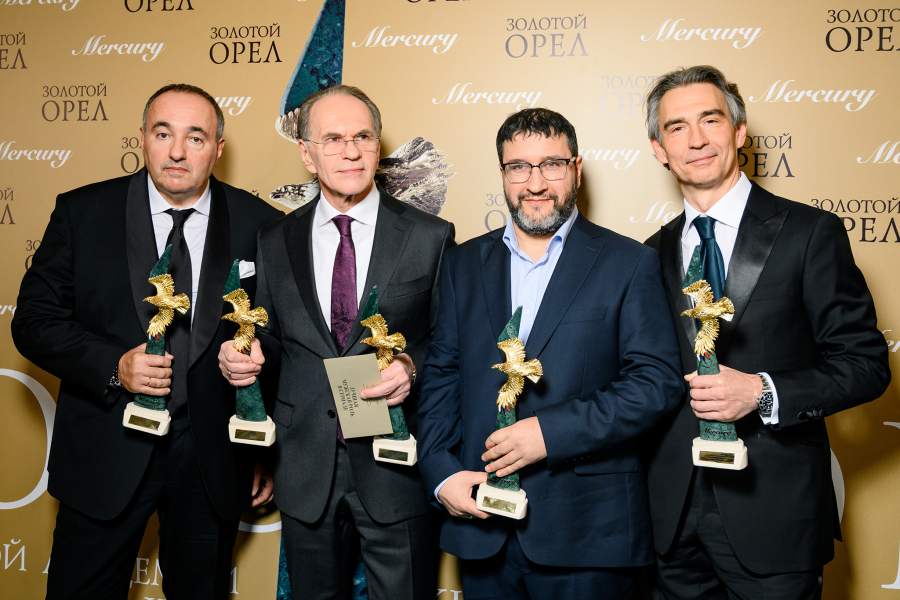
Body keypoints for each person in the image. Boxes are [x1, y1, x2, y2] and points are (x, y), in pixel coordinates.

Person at [11, 83, 282, 599]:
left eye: (195, 137)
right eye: (163, 134)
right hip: (104, 455)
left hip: (212, 462)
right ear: (142, 138)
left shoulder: (262, 224)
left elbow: (279, 336)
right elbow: (34, 322)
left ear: (217, 148)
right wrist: (114, 366)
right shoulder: (82, 212)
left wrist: (262, 444)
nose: (177, 151)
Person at [643, 65, 891, 599]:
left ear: (739, 132)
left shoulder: (810, 233)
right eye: (677, 127)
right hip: (672, 523)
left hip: (775, 517)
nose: (696, 139)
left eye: (711, 120)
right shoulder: (649, 254)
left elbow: (866, 364)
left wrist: (762, 391)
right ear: (659, 149)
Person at [416, 107, 683, 599]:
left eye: (551, 165)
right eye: (519, 167)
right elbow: (441, 376)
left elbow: (655, 384)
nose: (535, 183)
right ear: (503, 173)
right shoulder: (461, 264)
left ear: (576, 169)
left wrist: (549, 433)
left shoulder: (630, 263)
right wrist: (439, 472)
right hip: (482, 526)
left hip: (588, 535)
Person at [218, 84, 455, 600]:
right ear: (307, 154)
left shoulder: (430, 236)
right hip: (305, 465)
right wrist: (246, 355)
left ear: (377, 146)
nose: (350, 152)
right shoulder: (275, 240)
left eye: (362, 137)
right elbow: (274, 339)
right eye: (333, 139)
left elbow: (449, 342)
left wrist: (411, 366)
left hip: (396, 465)